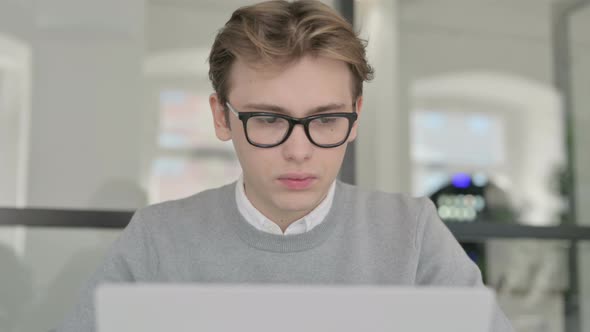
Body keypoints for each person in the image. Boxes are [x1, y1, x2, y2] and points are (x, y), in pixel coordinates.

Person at [57, 1, 513, 331]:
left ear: (355, 117)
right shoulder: (158, 238)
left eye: (327, 119)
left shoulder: (412, 232)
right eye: (270, 119)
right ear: (222, 117)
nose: (299, 151)